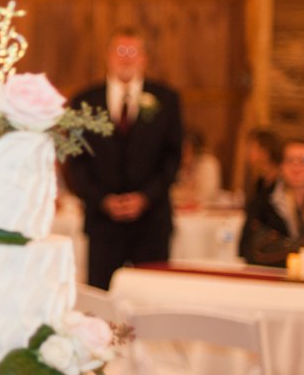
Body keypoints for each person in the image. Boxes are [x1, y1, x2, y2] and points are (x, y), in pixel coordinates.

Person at [66, 28, 183, 290]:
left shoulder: (167, 99)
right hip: (102, 223)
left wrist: (145, 197)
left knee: (152, 297)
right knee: (102, 300)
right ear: (108, 56)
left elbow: (172, 158)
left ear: (144, 58)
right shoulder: (84, 100)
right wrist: (103, 199)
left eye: (133, 52)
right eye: (120, 51)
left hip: (152, 221)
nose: (126, 58)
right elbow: (75, 160)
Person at [239, 139, 304, 267]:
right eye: (290, 160)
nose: (296, 167)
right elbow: (245, 249)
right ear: (281, 167)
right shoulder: (262, 203)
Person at [171, 127, 223, 209]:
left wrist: (183, 193)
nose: (182, 152)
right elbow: (173, 191)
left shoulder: (207, 164)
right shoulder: (181, 165)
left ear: (196, 149)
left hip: (206, 212)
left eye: (186, 148)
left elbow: (205, 195)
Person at [243, 128, 282, 205]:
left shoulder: (281, 183)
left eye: (251, 148)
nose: (247, 153)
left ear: (265, 152)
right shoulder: (261, 181)